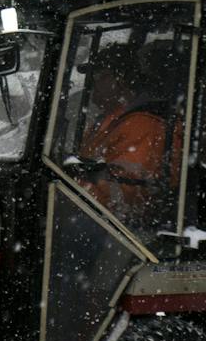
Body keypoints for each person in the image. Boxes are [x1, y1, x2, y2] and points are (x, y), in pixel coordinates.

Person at [75, 44, 175, 225]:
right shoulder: (109, 120)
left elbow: (128, 193)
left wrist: (73, 193)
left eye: (99, 76)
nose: (92, 83)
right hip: (95, 218)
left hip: (121, 234)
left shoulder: (144, 124)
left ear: (120, 79)